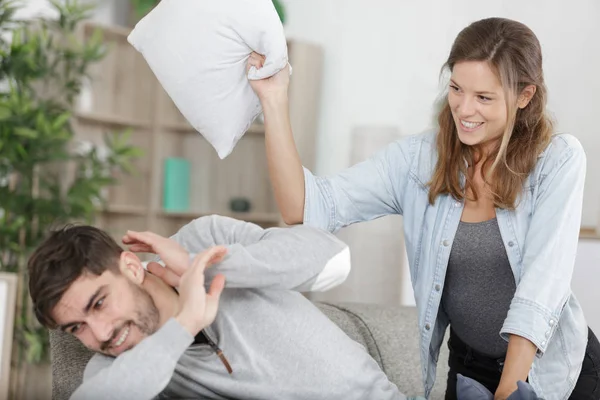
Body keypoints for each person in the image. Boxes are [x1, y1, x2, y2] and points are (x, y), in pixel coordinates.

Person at [247, 16, 600, 400]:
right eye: (456, 88)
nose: (464, 109)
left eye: (484, 97)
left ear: (524, 96)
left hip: (553, 372)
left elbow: (540, 291)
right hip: (469, 368)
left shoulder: (557, 160)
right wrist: (274, 99)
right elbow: (304, 206)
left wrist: (507, 393)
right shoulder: (418, 161)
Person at [27, 214, 417, 400]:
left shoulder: (205, 237)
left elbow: (334, 261)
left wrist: (205, 264)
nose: (100, 334)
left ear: (130, 267)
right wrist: (185, 323)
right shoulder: (121, 369)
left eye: (99, 303)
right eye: (76, 328)